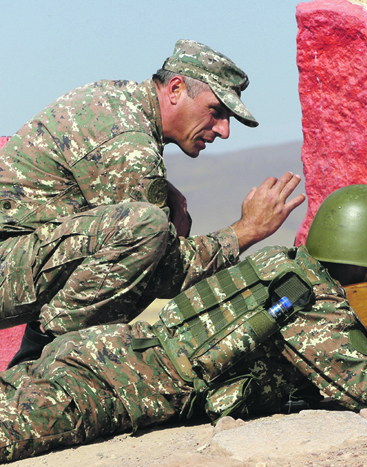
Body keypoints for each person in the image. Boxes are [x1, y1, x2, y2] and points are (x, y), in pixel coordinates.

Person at [0, 184, 367, 462]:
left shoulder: (285, 267)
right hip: (104, 386)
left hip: (102, 355)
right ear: (363, 266)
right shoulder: (312, 301)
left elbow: (326, 367)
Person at [0, 40, 305, 365]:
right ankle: (40, 364)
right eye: (216, 112)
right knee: (146, 227)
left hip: (15, 263)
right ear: (175, 89)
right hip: (8, 267)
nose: (224, 131)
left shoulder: (120, 103)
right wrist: (247, 231)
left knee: (156, 224)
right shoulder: (129, 143)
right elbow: (167, 273)